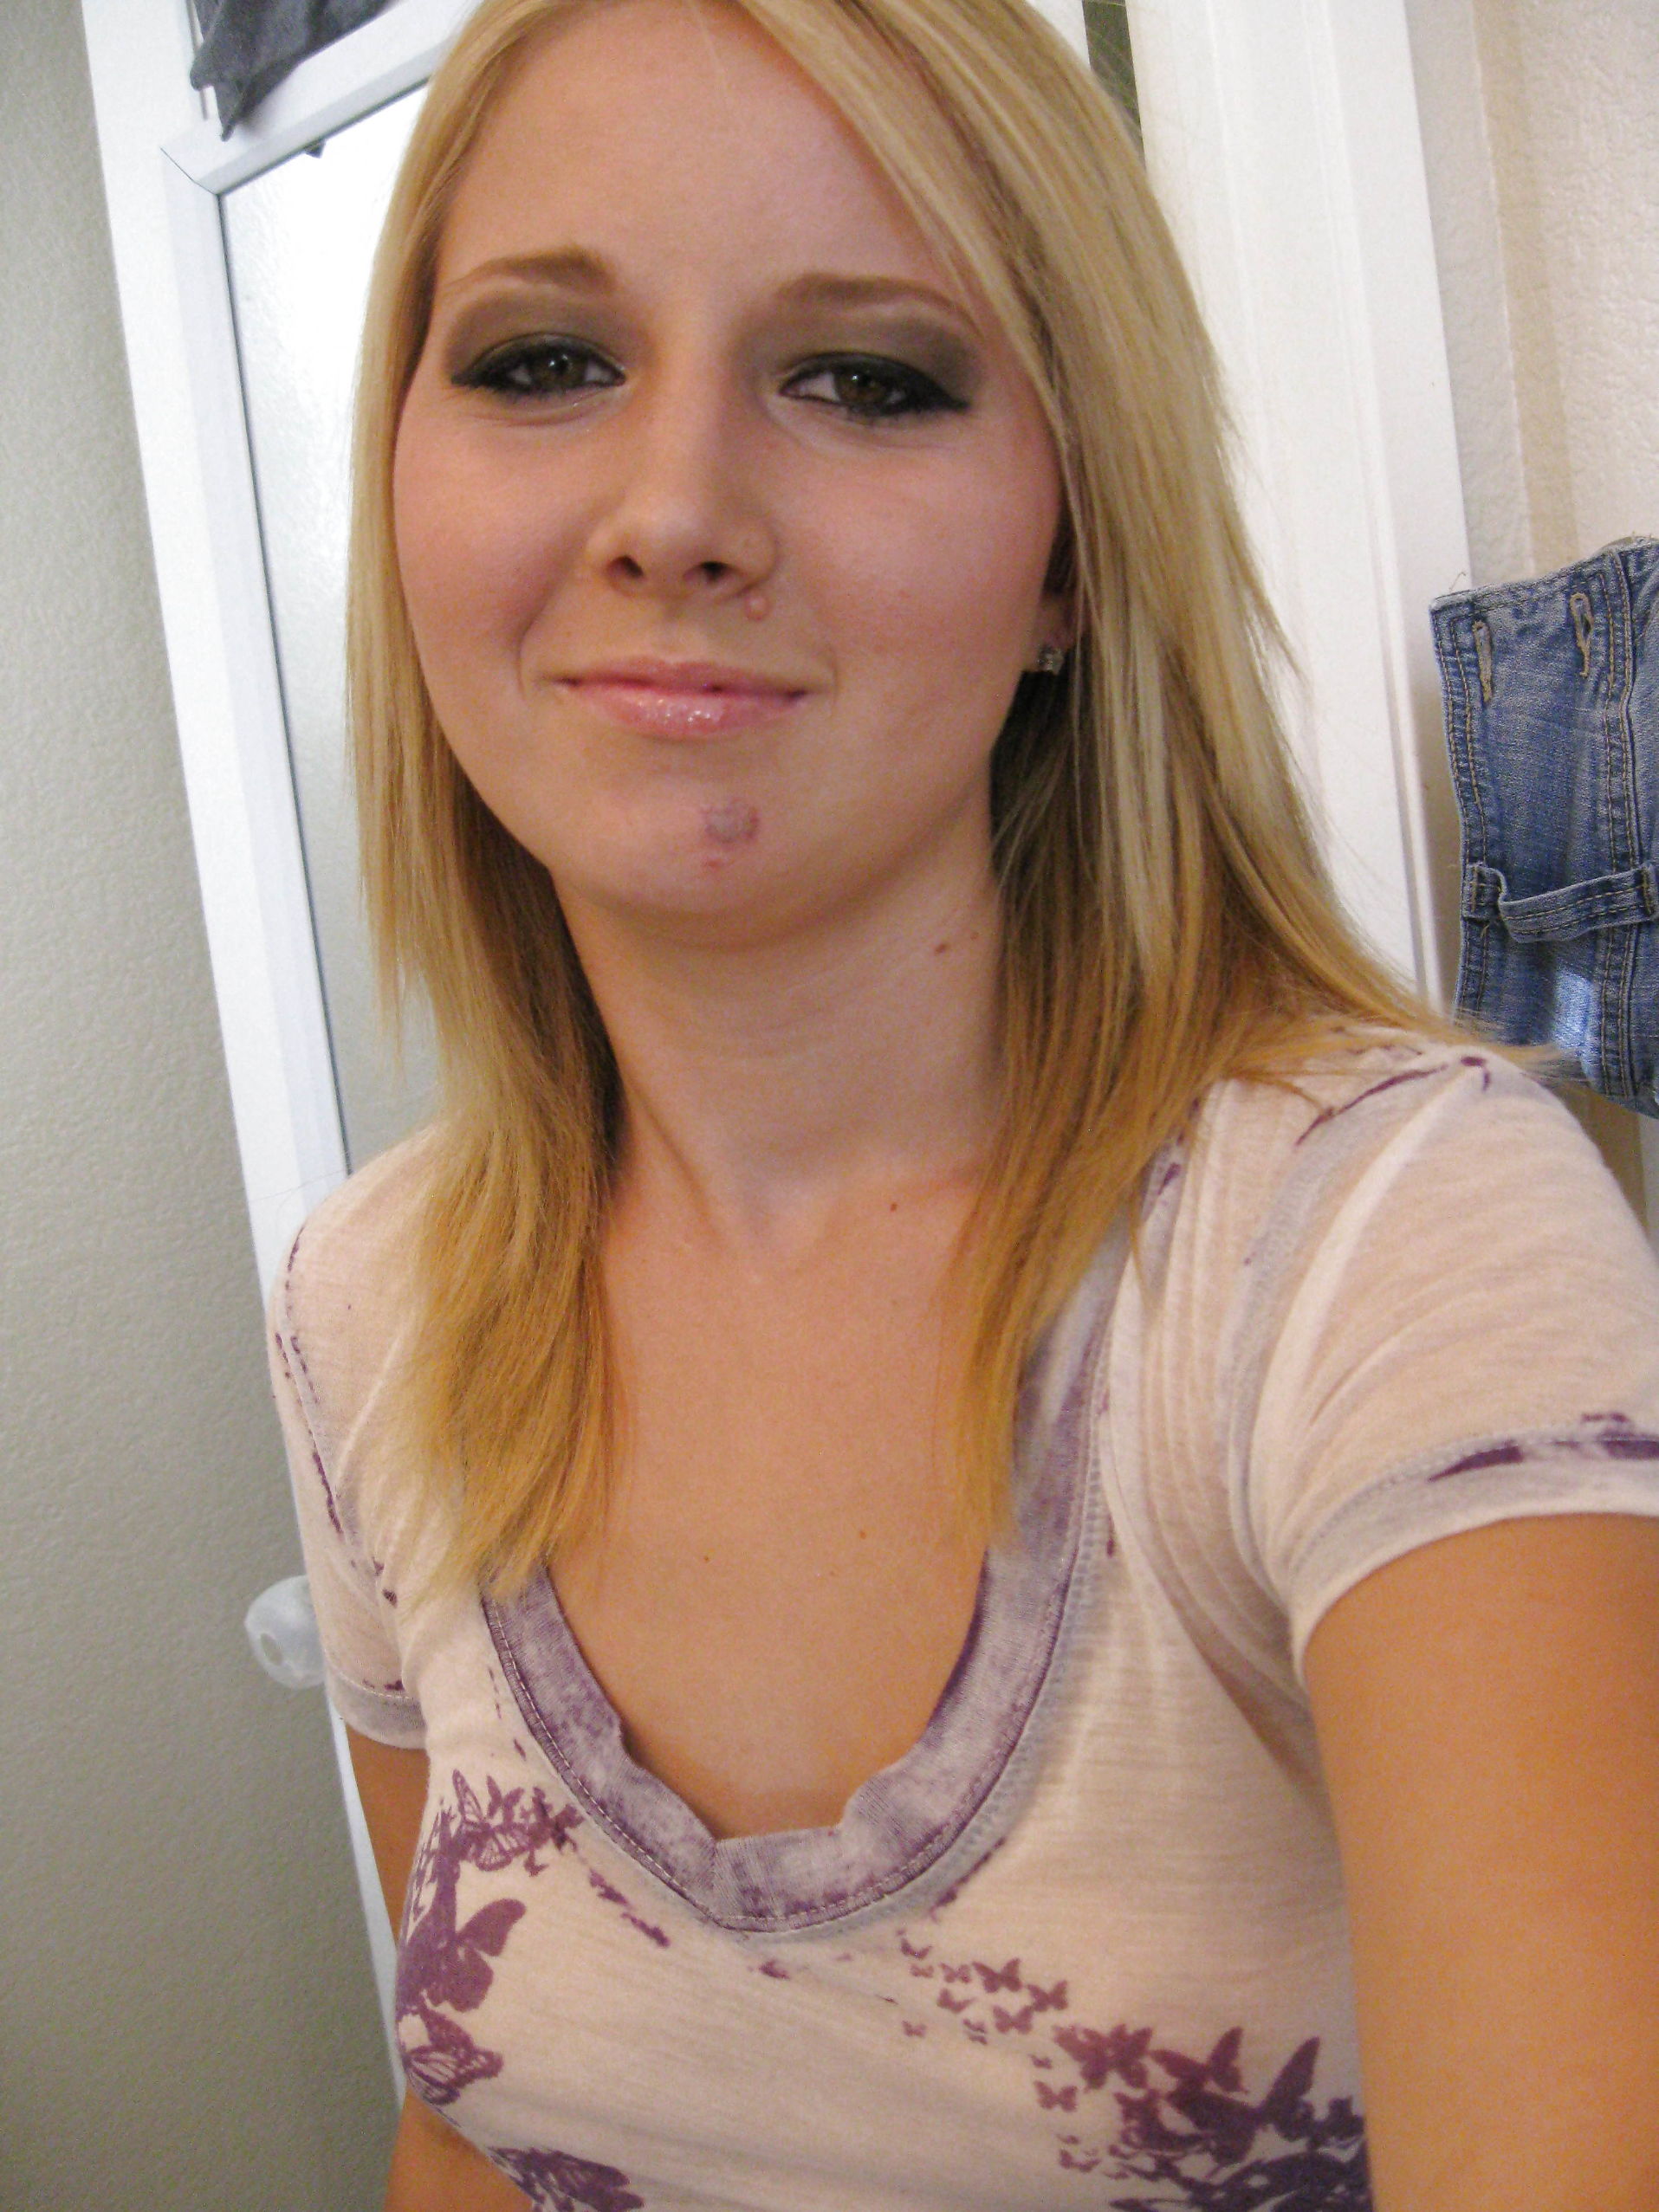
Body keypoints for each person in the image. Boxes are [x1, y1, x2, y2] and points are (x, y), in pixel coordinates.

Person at [266, 0, 1659, 2205]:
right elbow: (476, 2120)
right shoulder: (376, 1302)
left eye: (866, 379)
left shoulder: (1385, 1245)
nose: (673, 511)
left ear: (1071, 557)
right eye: (543, 359)